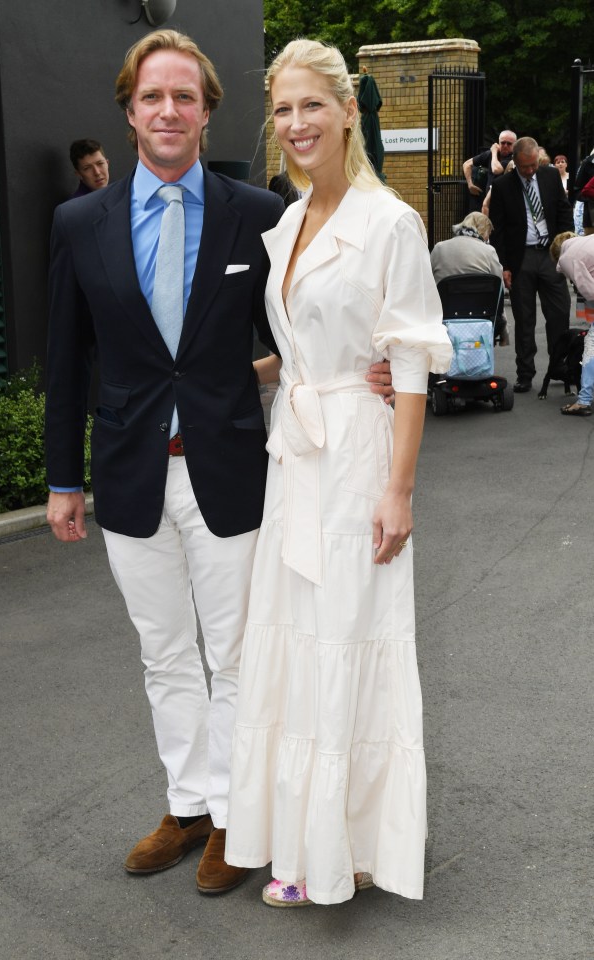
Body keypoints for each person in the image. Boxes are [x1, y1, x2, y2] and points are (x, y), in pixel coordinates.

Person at [45, 30, 394, 897]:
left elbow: (299, 324)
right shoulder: (79, 222)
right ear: (129, 113)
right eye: (152, 97)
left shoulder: (257, 211)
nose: (169, 111)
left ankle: (238, 817)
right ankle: (187, 802)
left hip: (231, 467)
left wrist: (362, 367)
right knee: (164, 654)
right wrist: (61, 478)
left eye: (185, 98)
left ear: (206, 113)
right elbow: (63, 359)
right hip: (129, 469)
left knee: (236, 656)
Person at [225, 38, 452, 907]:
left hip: (357, 458)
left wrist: (397, 491)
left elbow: (409, 364)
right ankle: (310, 842)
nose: (295, 124)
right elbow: (301, 351)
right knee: (295, 646)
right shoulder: (283, 224)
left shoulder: (386, 220)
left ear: (348, 110)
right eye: (282, 110)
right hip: (297, 454)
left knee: (350, 639)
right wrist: (222, 384)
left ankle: (350, 847)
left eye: (311, 105)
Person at [489, 136, 574, 393]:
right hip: (521, 259)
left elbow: (563, 211)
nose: (530, 171)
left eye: (533, 165)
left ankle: (559, 365)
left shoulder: (549, 177)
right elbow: (498, 230)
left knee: (559, 313)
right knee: (524, 319)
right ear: (514, 162)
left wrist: (565, 247)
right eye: (525, 166)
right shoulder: (503, 186)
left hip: (550, 255)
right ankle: (525, 373)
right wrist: (504, 265)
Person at [430, 212, 509, 344]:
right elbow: (498, 286)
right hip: (482, 316)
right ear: (484, 231)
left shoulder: (439, 248)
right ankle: (504, 337)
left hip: (445, 315)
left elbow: (429, 281)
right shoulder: (488, 251)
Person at [550, 231, 594, 416]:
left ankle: (584, 400)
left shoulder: (567, 258)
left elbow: (589, 290)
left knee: (592, 345)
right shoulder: (587, 241)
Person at [463, 130, 516, 211]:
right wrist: (470, 184)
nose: (505, 146)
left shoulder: (513, 158)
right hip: (488, 199)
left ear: (514, 145)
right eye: (502, 143)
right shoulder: (489, 154)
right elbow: (466, 164)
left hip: (503, 201)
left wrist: (494, 152)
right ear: (498, 143)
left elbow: (496, 169)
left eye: (509, 144)